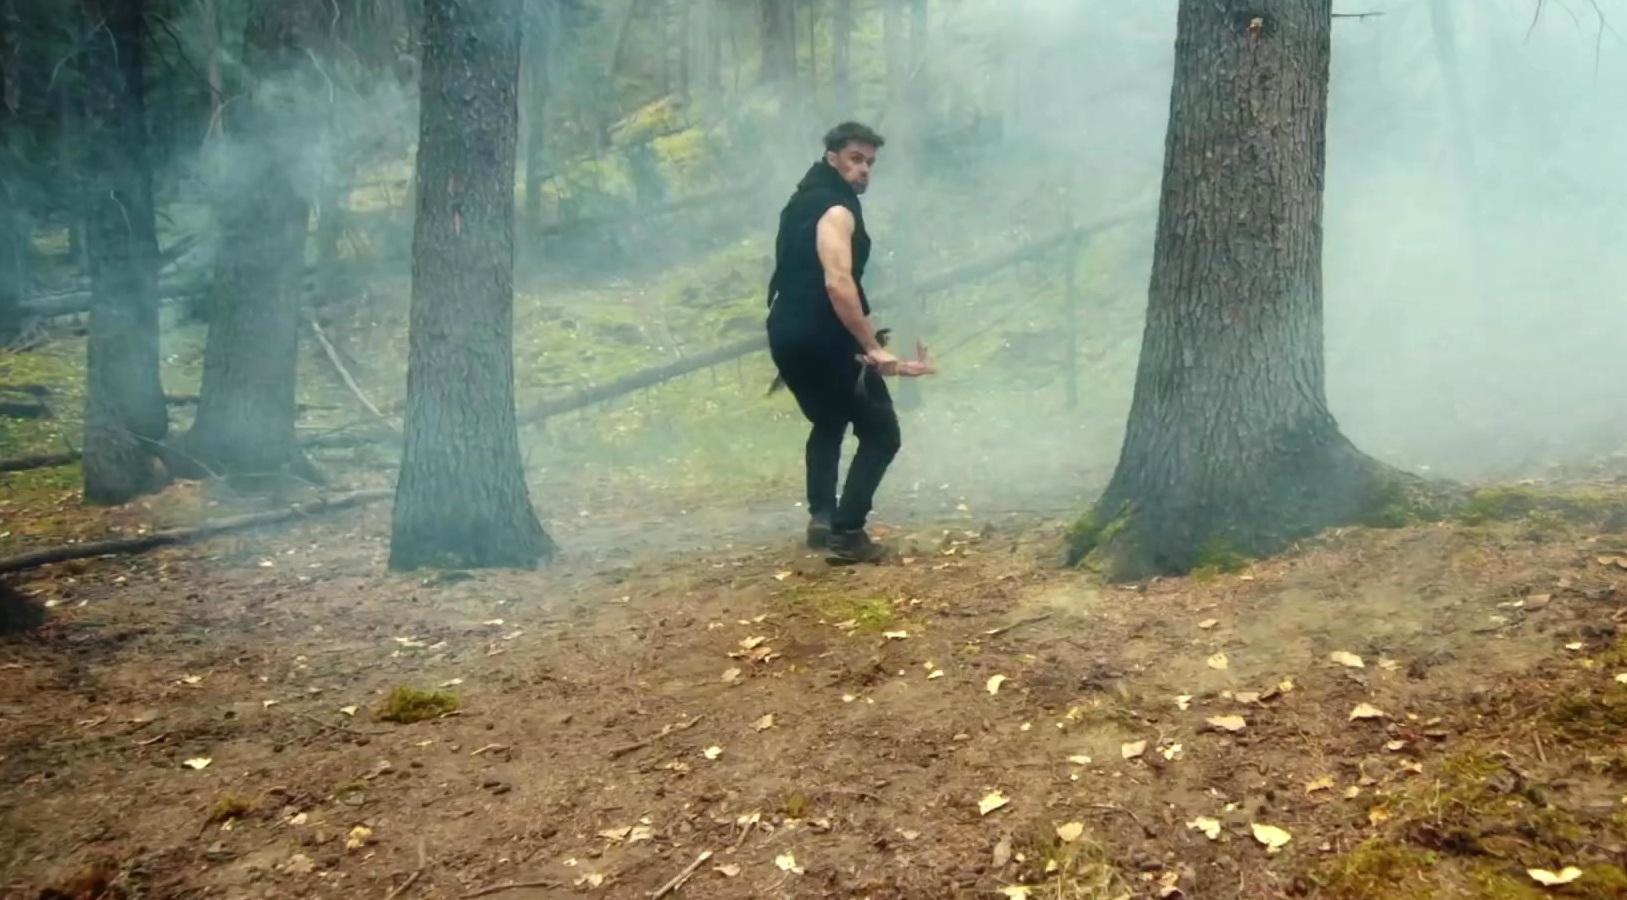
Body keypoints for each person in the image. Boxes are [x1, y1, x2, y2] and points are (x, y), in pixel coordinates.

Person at [765, 122, 935, 563]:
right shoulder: (836, 209)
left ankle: (822, 516)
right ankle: (848, 533)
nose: (864, 170)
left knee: (830, 417)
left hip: (785, 331)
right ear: (832, 158)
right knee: (882, 432)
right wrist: (872, 346)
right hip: (824, 331)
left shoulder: (800, 203)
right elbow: (838, 283)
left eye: (870, 163)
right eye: (856, 159)